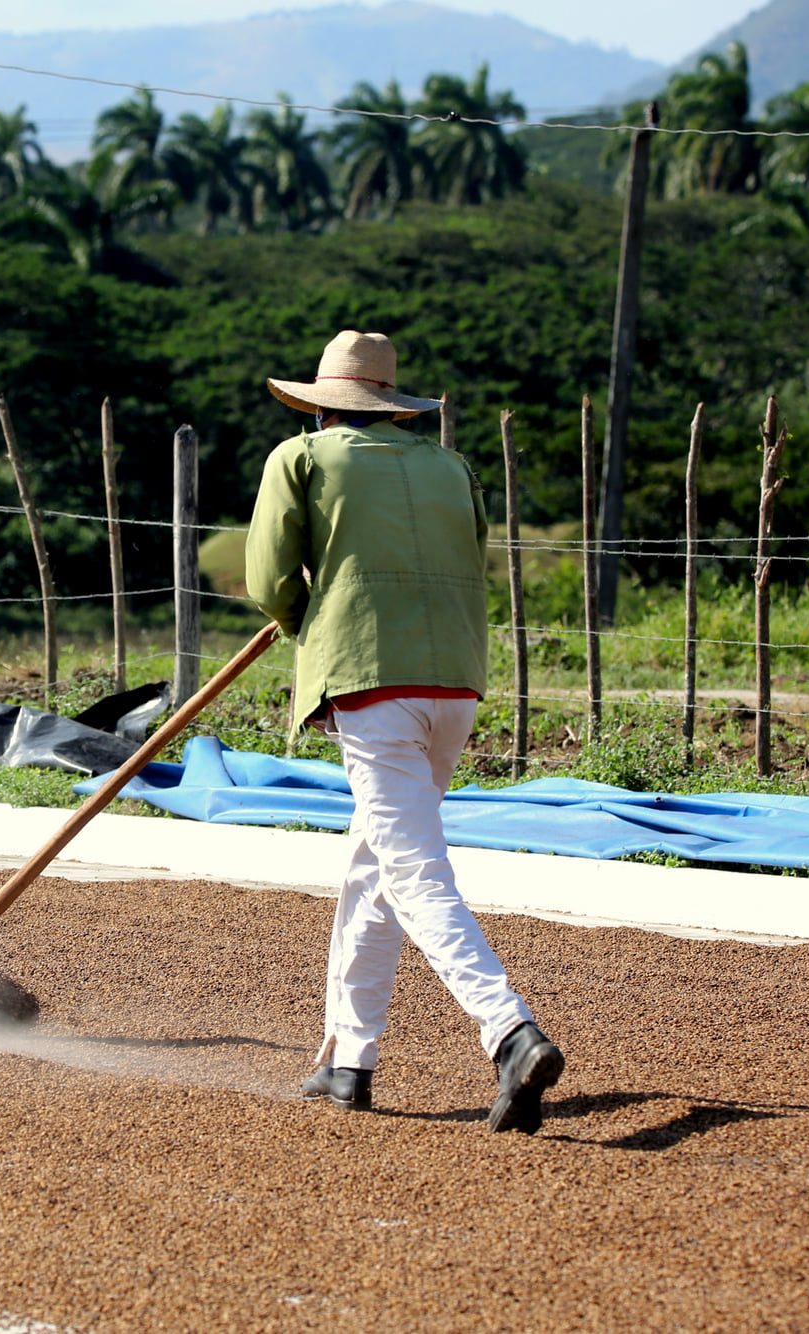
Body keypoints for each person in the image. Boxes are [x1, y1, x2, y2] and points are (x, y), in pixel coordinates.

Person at [243, 329, 563, 1134]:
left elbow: (266, 578)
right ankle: (349, 1061)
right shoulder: (452, 466)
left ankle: (509, 1031)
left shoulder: (303, 459)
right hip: (452, 683)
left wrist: (296, 616)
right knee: (373, 866)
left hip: (370, 679)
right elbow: (469, 554)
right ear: (392, 404)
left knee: (413, 869)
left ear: (322, 405)